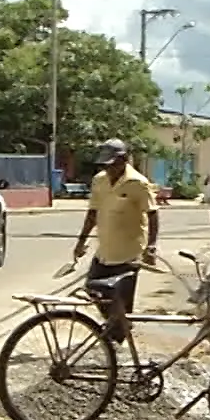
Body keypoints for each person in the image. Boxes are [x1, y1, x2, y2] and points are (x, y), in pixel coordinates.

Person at [74, 138, 159, 341]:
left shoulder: (138, 183)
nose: (109, 169)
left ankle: (117, 344)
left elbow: (153, 214)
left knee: (121, 301)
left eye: (112, 164)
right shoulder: (99, 180)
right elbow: (92, 213)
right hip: (104, 251)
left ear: (123, 160)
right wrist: (81, 241)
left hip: (128, 254)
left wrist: (152, 246)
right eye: (106, 165)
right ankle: (117, 331)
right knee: (93, 289)